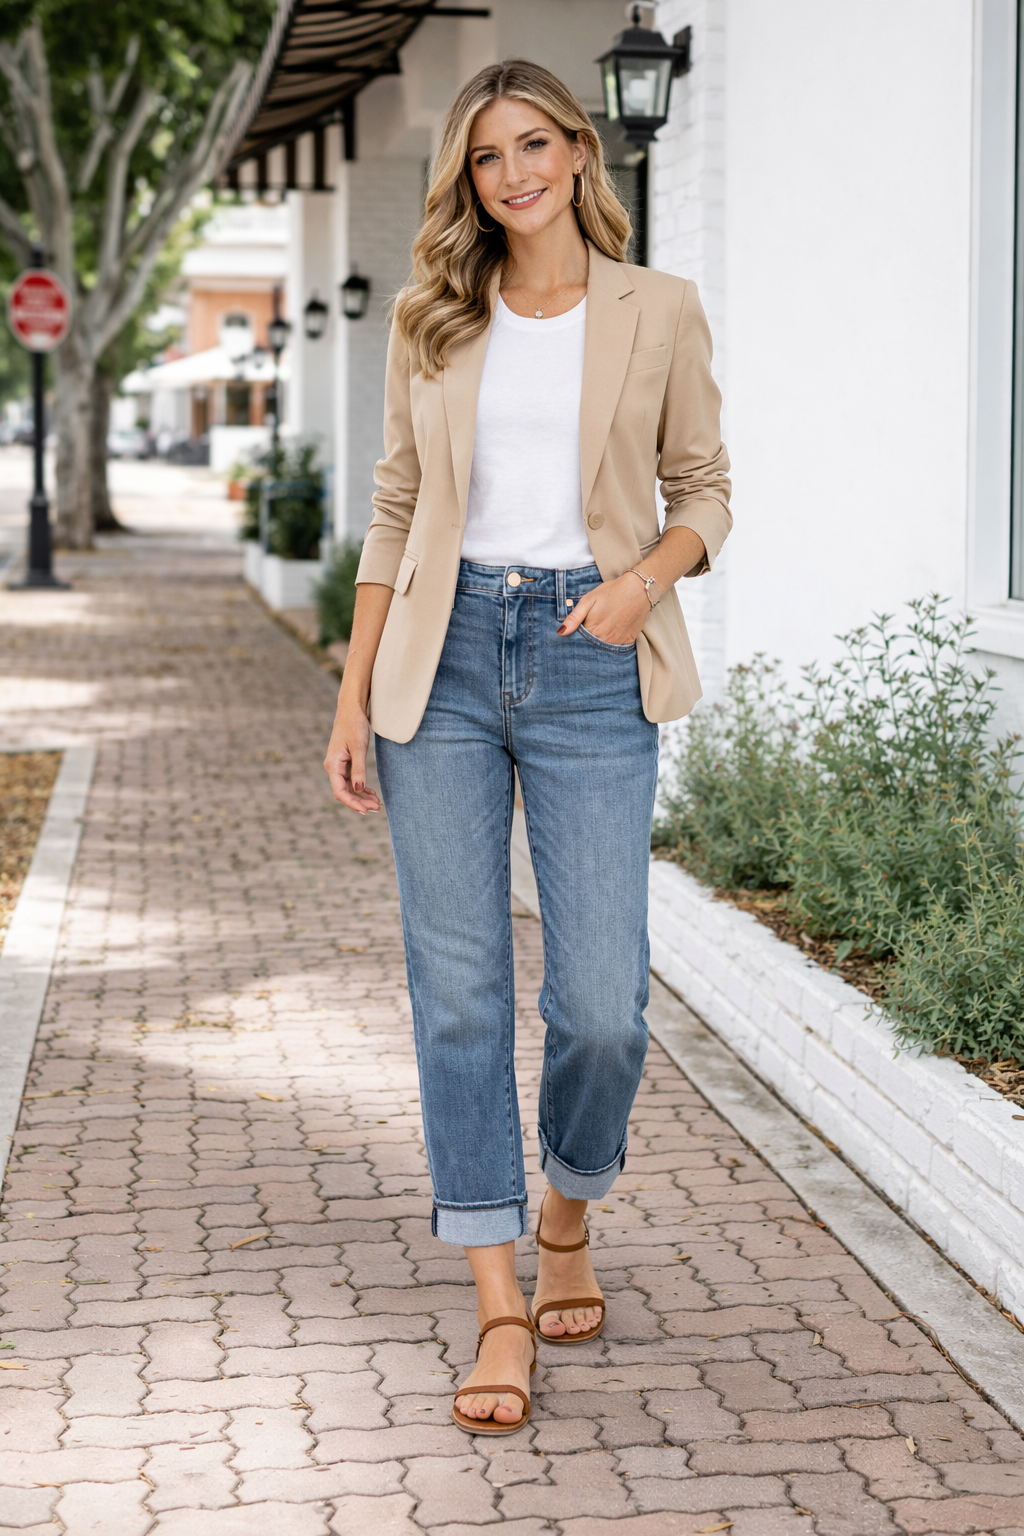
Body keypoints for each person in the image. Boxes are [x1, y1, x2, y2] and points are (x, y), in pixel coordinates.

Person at [324, 57, 731, 1436]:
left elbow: (707, 489)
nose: (514, 173)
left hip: (589, 658)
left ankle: (569, 1213)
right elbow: (394, 507)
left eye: (534, 143)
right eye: (487, 156)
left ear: (577, 151)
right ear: (469, 179)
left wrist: (642, 583)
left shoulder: (657, 307)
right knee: (458, 996)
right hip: (440, 665)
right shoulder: (436, 314)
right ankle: (501, 1301)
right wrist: (351, 692)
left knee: (605, 1002)